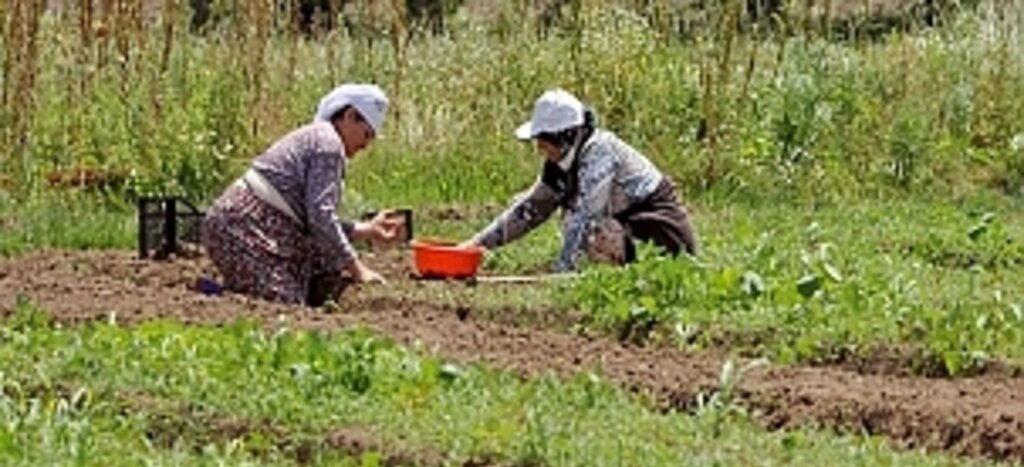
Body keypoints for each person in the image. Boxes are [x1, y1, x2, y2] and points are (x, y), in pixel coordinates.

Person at [201, 83, 405, 305]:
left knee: (314, 269)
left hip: (243, 223)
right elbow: (320, 217)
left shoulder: (320, 138)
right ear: (350, 115)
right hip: (245, 227)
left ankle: (225, 292)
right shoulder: (329, 144)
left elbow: (316, 220)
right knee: (282, 304)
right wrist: (357, 269)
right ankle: (215, 297)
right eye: (367, 134)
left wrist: (368, 230)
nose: (366, 145)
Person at [463, 89, 698, 271]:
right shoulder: (561, 162)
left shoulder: (600, 152)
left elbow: (587, 215)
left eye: (544, 140)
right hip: (630, 229)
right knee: (575, 222)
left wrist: (563, 269)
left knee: (594, 230)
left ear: (565, 136)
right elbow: (530, 209)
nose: (539, 147)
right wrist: (473, 247)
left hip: (662, 236)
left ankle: (626, 276)